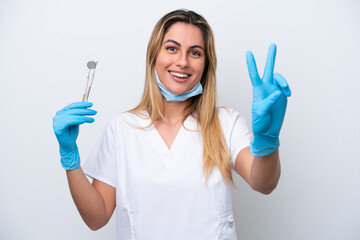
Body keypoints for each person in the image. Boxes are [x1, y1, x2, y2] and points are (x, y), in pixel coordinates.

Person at [53, 9, 291, 240]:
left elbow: (264, 183)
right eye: (172, 49)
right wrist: (70, 156)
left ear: (206, 65)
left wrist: (268, 140)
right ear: (154, 56)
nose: (183, 61)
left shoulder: (226, 123)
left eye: (195, 53)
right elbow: (96, 218)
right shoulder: (122, 129)